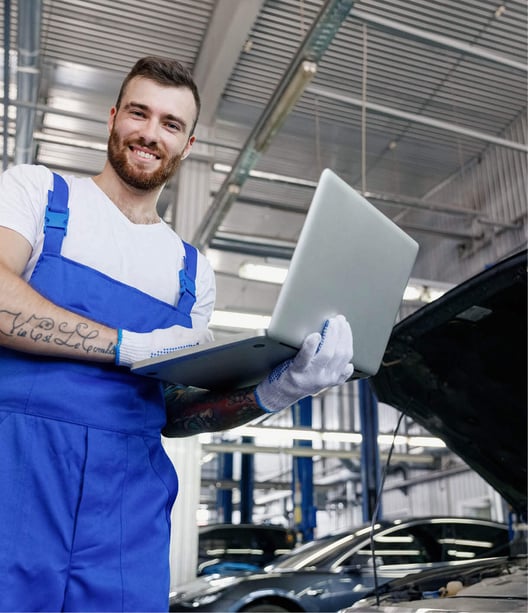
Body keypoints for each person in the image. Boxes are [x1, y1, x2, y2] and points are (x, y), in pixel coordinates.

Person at [0, 56, 354, 612]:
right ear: (113, 118)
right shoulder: (39, 195)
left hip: (125, 510)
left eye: (171, 123)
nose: (149, 133)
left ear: (186, 145)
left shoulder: (192, 273)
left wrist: (277, 392)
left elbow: (174, 412)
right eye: (139, 113)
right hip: (16, 477)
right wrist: (127, 346)